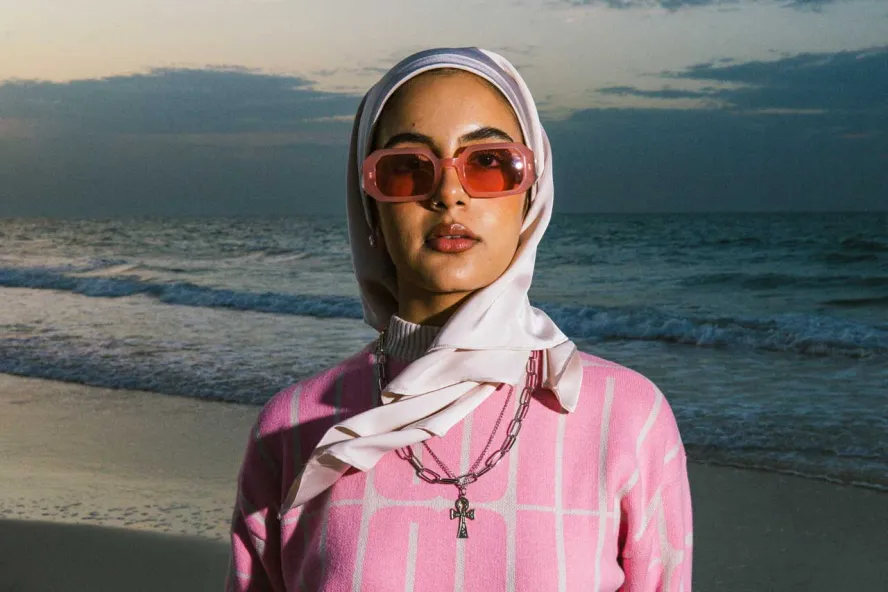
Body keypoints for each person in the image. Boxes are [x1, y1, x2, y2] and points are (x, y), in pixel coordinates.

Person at [226, 47, 693, 591]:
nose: (450, 194)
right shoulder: (290, 429)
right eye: (406, 170)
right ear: (369, 206)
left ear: (532, 193)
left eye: (490, 163)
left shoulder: (627, 419)